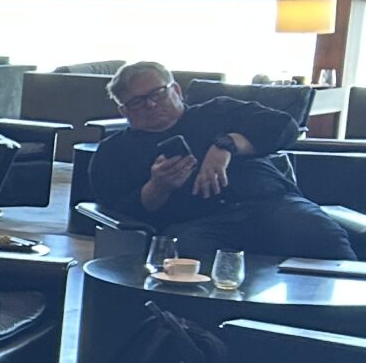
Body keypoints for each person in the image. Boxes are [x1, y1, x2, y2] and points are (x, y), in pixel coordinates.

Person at [88, 61, 353, 260]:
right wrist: (158, 187)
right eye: (137, 102)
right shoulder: (114, 151)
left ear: (176, 90)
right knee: (185, 255)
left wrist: (226, 145)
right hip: (197, 222)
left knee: (319, 234)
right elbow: (117, 208)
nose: (151, 105)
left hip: (271, 203)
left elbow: (285, 126)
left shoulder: (218, 111)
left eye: (157, 93)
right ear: (123, 110)